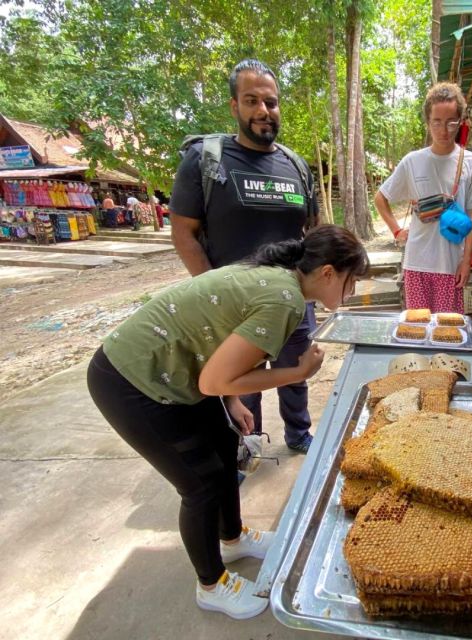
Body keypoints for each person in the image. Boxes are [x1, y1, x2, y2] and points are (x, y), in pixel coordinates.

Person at [87, 225, 369, 620]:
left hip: (174, 371)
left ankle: (232, 539)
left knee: (224, 447)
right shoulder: (284, 299)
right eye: (351, 281)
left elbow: (220, 344)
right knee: (200, 484)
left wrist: (232, 399)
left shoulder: (280, 280)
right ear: (327, 273)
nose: (352, 291)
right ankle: (212, 584)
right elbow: (213, 379)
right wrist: (296, 372)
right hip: (133, 379)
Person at [170, 58, 319, 453]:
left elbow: (313, 231)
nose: (263, 111)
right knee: (239, 380)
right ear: (234, 106)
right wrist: (210, 295)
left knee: (294, 373)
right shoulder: (205, 161)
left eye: (270, 102)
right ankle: (244, 446)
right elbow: (184, 233)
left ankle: (299, 435)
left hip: (292, 299)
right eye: (251, 101)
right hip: (234, 303)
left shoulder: (295, 166)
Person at [374, 82, 472, 313]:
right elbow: (380, 198)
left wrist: (466, 261)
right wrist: (396, 230)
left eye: (451, 122)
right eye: (437, 122)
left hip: (451, 264)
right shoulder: (412, 161)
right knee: (418, 330)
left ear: (460, 121)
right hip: (416, 263)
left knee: (449, 332)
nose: (444, 130)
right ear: (428, 122)